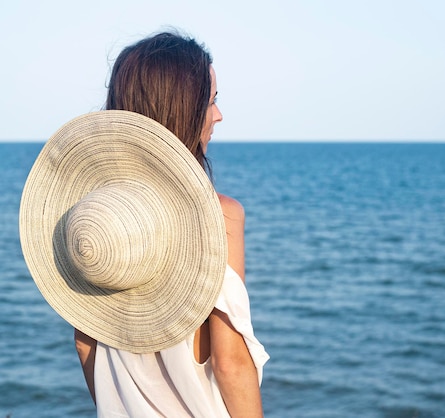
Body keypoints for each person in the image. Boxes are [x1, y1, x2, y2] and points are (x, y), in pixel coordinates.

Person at [22, 30, 268, 417]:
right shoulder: (219, 216)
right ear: (181, 111)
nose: (218, 114)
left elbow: (85, 343)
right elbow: (230, 361)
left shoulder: (97, 220)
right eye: (211, 101)